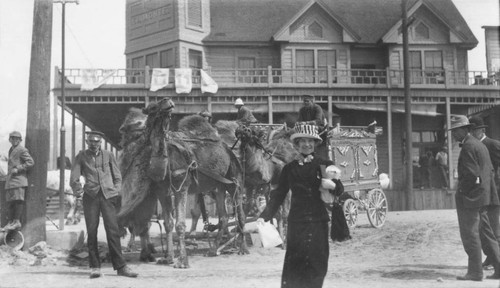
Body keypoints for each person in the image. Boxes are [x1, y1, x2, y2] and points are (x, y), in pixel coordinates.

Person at [257, 124, 343, 288]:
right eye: (302, 141)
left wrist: (332, 186)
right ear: (296, 145)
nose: (306, 145)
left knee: (317, 265)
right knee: (295, 267)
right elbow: (279, 194)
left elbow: (340, 189)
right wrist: (265, 215)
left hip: (319, 222)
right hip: (297, 223)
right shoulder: (289, 169)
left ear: (315, 143)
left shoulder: (325, 165)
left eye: (310, 141)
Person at [70, 131, 138, 279]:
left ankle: (121, 267)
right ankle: (95, 267)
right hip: (91, 197)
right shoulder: (81, 156)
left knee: (113, 230)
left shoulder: (108, 155)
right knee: (92, 231)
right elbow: (74, 178)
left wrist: (116, 190)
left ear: (100, 142)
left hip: (108, 196)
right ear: (87, 142)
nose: (94, 144)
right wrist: (79, 192)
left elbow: (117, 176)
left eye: (97, 142)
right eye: (91, 142)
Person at [449, 115, 500, 281]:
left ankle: (475, 272)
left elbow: (471, 174)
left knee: (470, 235)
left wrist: (463, 192)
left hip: (471, 200)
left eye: (456, 130)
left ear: (465, 129)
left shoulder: (469, 147)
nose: (454, 134)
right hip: (483, 197)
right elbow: (489, 170)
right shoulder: (479, 145)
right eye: (453, 131)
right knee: (487, 234)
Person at [469, 115, 500, 274]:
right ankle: (490, 258)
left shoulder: (492, 144)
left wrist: (495, 183)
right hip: (481, 194)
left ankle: (497, 262)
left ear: (481, 130)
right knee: (483, 229)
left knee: (494, 230)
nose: (472, 133)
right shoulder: (472, 146)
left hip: (494, 193)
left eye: (474, 130)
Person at [0, 131, 34, 232]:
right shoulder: (11, 149)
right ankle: (11, 222)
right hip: (11, 181)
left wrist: (18, 168)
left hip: (19, 180)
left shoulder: (22, 150)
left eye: (17, 139)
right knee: (11, 202)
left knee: (18, 200)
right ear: (10, 139)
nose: (15, 140)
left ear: (20, 140)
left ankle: (16, 221)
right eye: (13, 138)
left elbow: (31, 162)